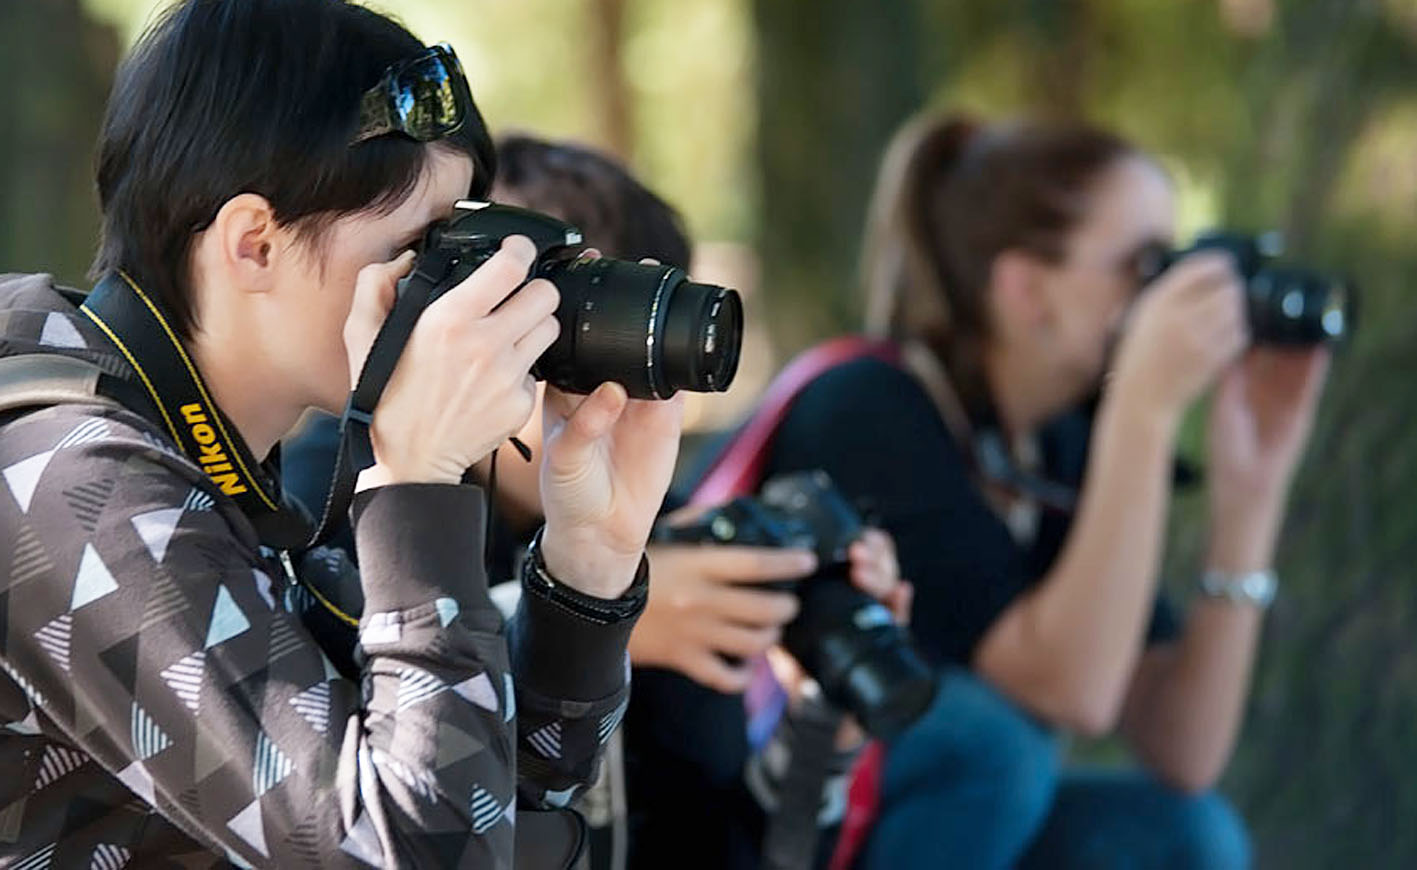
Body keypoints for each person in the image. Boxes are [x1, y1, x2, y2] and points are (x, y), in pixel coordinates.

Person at [0, 1, 682, 866]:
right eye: (422, 250)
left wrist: (589, 561)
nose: (455, 299)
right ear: (254, 244)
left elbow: (495, 806)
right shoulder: (67, 485)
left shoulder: (225, 474)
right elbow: (414, 850)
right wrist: (417, 486)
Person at [284, 132, 909, 870]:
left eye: (645, 353)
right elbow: (345, 787)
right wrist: (577, 623)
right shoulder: (334, 485)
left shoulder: (663, 542)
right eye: (576, 337)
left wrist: (818, 733)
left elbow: (736, 855)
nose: (611, 392)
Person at [760, 114, 1330, 868]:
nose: (1170, 294)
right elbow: (1071, 691)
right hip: (766, 806)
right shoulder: (869, 407)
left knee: (1187, 835)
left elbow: (1181, 746)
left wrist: (1250, 493)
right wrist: (1142, 409)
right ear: (1026, 288)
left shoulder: (1053, 440)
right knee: (994, 746)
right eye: (1145, 263)